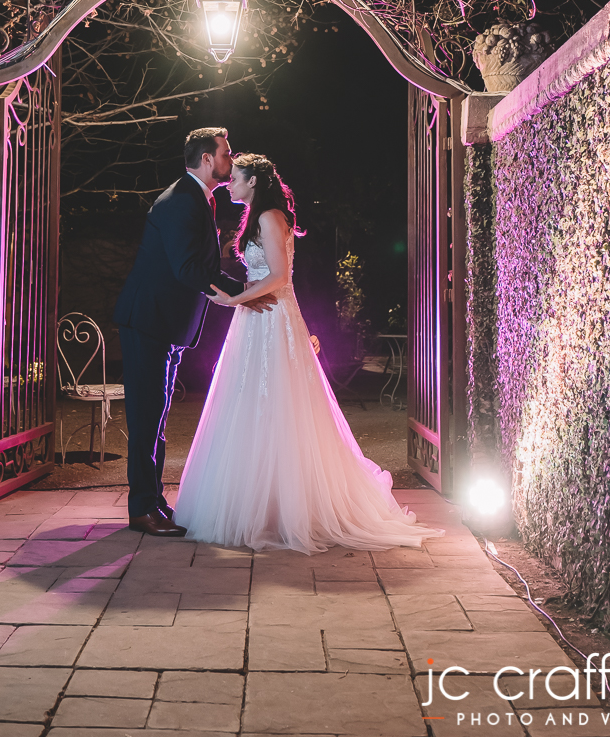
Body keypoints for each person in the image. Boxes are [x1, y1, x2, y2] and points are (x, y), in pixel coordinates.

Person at [173, 153, 441, 553]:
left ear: (253, 182)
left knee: (281, 405)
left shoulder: (270, 217)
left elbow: (279, 277)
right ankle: (260, 503)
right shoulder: (258, 217)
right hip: (257, 316)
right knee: (250, 403)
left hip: (269, 316)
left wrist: (235, 300)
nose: (230, 184)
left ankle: (287, 508)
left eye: (237, 178)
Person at [113, 128, 276, 536]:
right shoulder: (181, 200)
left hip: (165, 325)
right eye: (226, 153)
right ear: (207, 159)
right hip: (148, 321)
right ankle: (142, 510)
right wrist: (244, 294)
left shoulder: (197, 198)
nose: (230, 160)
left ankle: (154, 502)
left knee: (156, 417)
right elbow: (189, 268)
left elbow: (197, 266)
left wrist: (244, 292)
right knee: (146, 418)